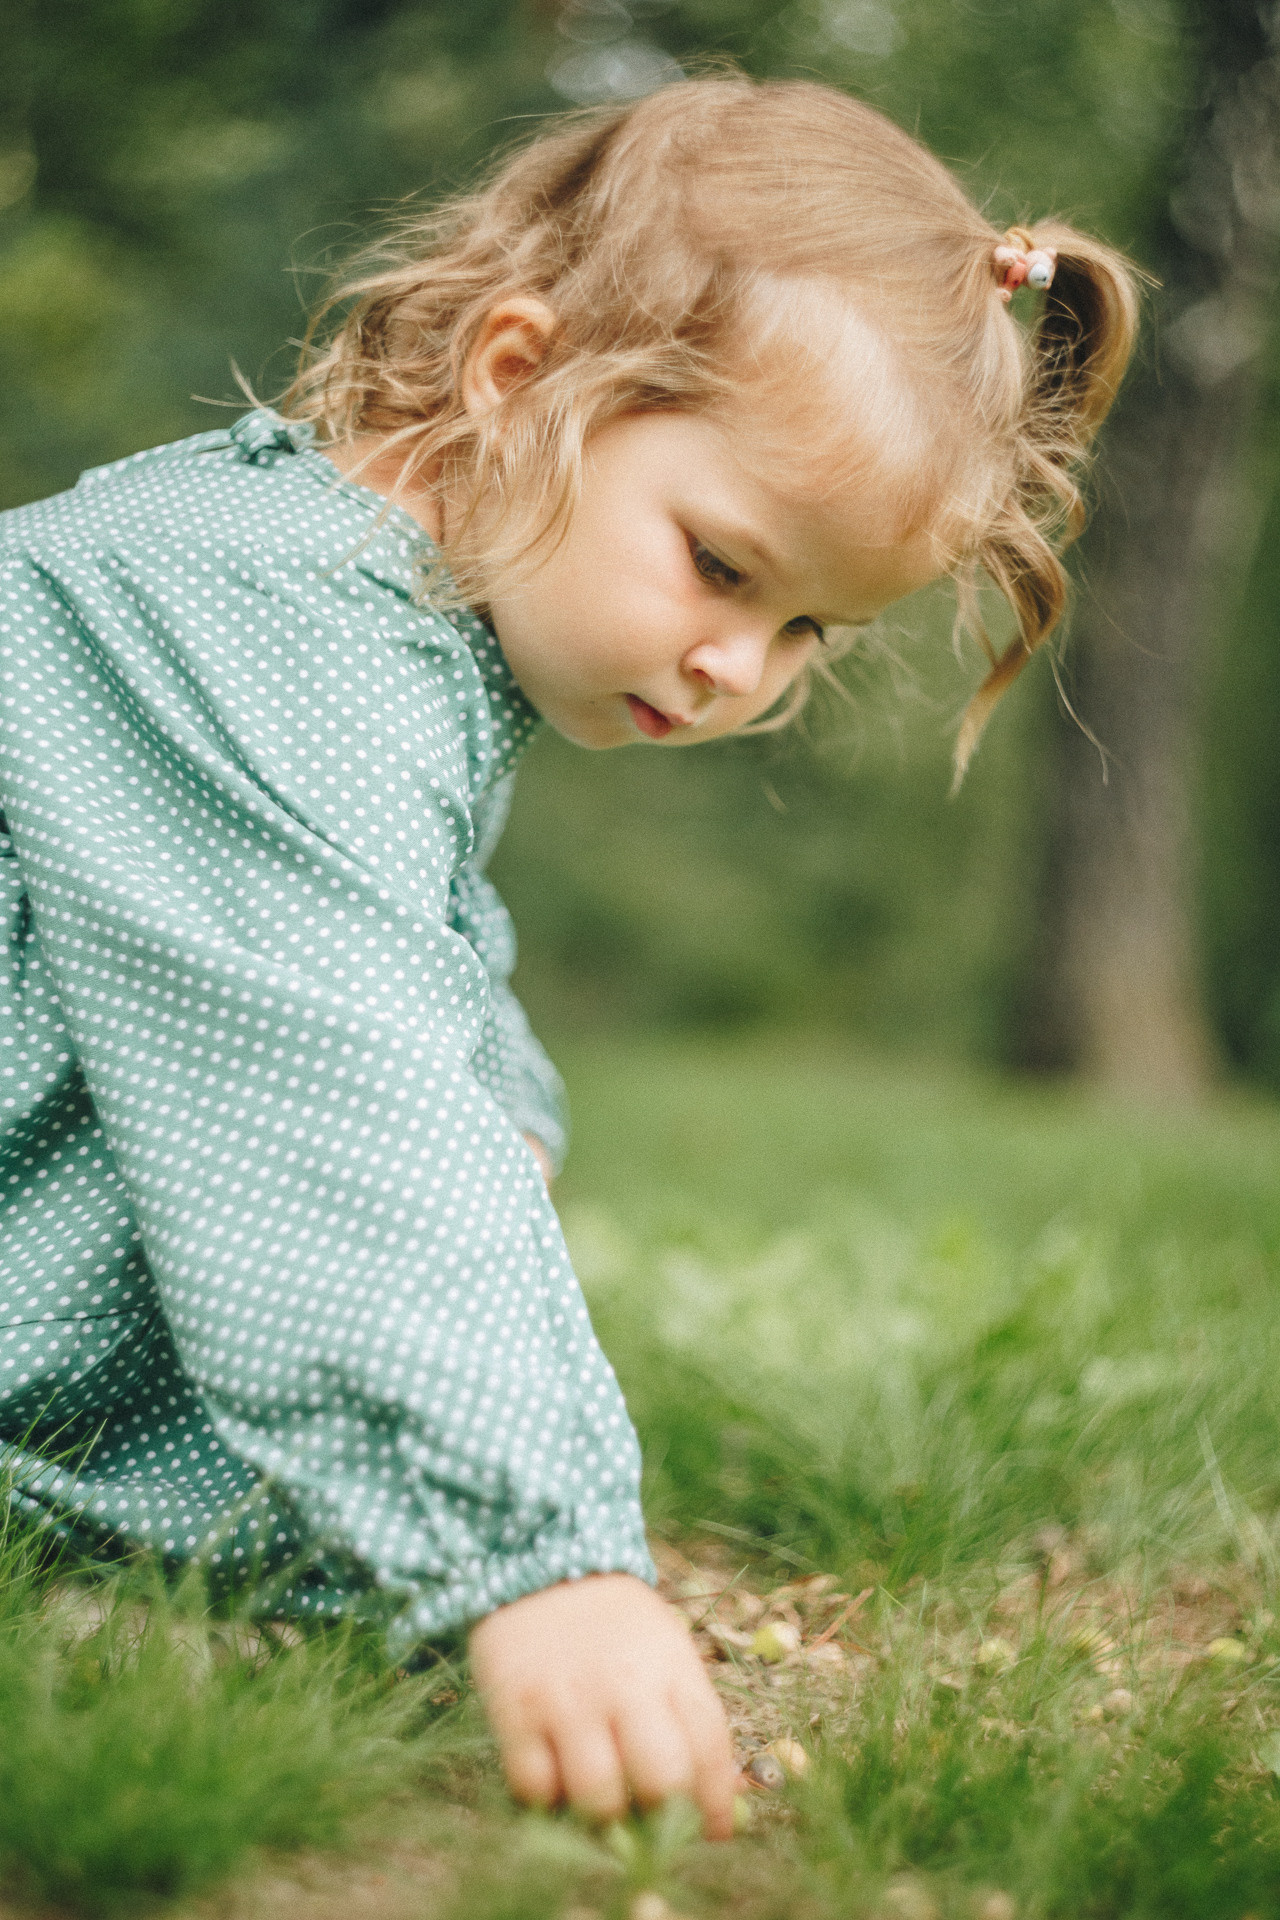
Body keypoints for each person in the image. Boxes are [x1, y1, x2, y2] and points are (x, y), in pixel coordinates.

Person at [0, 71, 1137, 1838]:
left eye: (810, 627)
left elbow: (406, 942)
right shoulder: (248, 626)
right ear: (519, 374)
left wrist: (503, 1107)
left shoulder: (364, 612)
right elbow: (325, 1094)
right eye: (722, 564)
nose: (741, 668)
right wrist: (538, 1560)